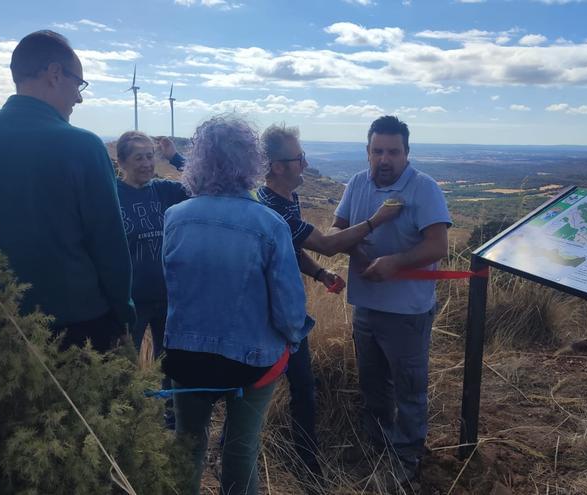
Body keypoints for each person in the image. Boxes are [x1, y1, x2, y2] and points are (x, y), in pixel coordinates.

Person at [0, 30, 133, 351]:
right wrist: (124, 315)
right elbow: (109, 247)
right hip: (79, 330)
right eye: (78, 84)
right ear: (54, 74)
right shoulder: (84, 146)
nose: (79, 98)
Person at [162, 115, 312, 495]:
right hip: (252, 360)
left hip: (186, 356)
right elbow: (290, 309)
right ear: (252, 161)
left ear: (199, 159)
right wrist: (293, 339)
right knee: (241, 450)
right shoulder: (269, 224)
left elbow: (173, 287)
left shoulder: (175, 218)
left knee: (187, 445)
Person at [256, 123, 402, 476]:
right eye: (299, 158)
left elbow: (292, 250)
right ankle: (295, 467)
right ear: (278, 167)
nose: (305, 164)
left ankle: (306, 465)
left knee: (302, 388)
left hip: (286, 310)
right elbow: (327, 244)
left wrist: (320, 274)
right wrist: (377, 220)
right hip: (269, 315)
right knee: (274, 391)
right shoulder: (272, 206)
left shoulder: (286, 198)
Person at [330, 115, 451, 484]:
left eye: (393, 152)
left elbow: (438, 246)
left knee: (409, 389)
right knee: (373, 384)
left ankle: (406, 460)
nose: (385, 159)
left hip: (407, 313)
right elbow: (337, 229)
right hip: (366, 306)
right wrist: (357, 252)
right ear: (367, 152)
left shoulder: (424, 188)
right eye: (378, 151)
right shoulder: (357, 183)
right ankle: (377, 445)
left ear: (407, 153)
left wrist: (395, 262)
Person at [115, 131, 187, 357]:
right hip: (131, 302)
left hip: (167, 297)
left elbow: (204, 183)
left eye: (150, 156)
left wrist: (175, 157)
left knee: (168, 365)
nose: (146, 164)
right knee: (125, 365)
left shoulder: (164, 190)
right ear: (122, 162)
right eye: (138, 158)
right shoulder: (112, 194)